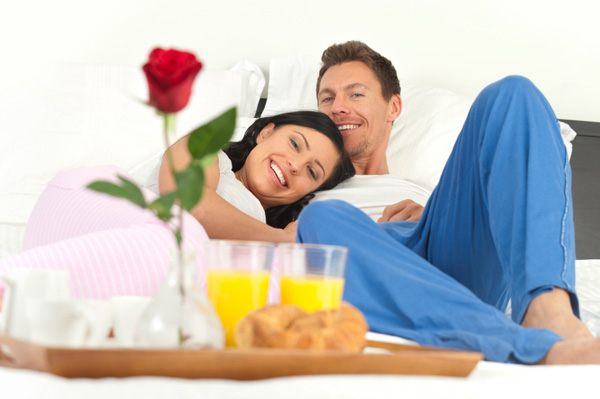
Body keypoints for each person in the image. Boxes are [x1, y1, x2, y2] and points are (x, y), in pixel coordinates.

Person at [297, 40, 600, 364]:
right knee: (320, 216)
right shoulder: (297, 179)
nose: (338, 107)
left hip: (439, 246)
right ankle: (520, 343)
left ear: (394, 107)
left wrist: (430, 217)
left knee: (514, 93)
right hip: (364, 261)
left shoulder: (430, 190)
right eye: (327, 98)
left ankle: (549, 314)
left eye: (355, 94)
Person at [0, 111, 354, 299]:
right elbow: (189, 204)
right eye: (295, 144)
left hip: (124, 276)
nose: (295, 164)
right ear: (264, 133)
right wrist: (283, 241)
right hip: (83, 209)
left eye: (312, 170)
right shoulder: (208, 151)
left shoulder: (264, 233)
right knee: (182, 243)